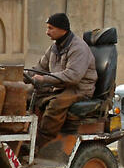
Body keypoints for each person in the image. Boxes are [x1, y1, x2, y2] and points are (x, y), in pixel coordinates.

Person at [26, 13, 98, 149]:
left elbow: (73, 76)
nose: (47, 32)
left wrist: (44, 79)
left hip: (79, 88)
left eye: (50, 28)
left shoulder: (78, 48)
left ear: (62, 29)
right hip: (60, 86)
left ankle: (39, 144)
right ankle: (24, 133)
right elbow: (40, 68)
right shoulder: (54, 47)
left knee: (56, 104)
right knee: (26, 93)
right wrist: (22, 76)